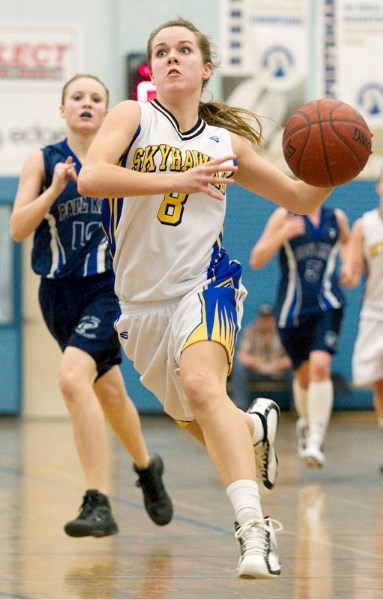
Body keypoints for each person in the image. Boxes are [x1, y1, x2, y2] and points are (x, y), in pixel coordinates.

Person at [77, 18, 335, 578]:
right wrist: (176, 179)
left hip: (205, 283)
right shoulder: (132, 116)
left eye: (184, 49)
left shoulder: (226, 142)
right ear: (152, 68)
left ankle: (255, 530)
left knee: (200, 385)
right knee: (200, 419)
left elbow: (295, 193)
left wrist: (337, 165)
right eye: (161, 51)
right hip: (140, 304)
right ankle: (250, 428)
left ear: (205, 68)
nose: (172, 58)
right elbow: (92, 178)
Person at [9, 73, 173, 538]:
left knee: (71, 377)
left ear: (106, 112)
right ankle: (147, 467)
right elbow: (18, 229)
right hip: (57, 294)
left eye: (95, 98)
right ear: (63, 110)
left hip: (108, 289)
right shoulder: (42, 161)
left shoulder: (118, 161)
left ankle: (97, 500)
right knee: (110, 393)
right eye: (76, 97)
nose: (86, 103)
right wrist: (52, 189)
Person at [250, 205, 350, 468]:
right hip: (291, 311)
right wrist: (281, 234)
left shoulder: (336, 217)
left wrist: (350, 266)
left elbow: (348, 244)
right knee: (303, 375)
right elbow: (257, 258)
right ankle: (306, 424)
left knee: (320, 366)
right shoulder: (284, 215)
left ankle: (317, 438)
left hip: (327, 305)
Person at [341, 172, 383, 473]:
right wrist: (348, 275)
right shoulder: (365, 225)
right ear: (379, 186)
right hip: (375, 312)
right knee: (379, 384)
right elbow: (353, 269)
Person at [231, 303, 292, 409]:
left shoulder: (283, 331)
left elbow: (291, 357)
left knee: (295, 369)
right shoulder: (251, 331)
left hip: (278, 369)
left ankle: (296, 408)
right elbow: (242, 355)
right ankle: (241, 406)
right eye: (263, 318)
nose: (265, 322)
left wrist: (277, 365)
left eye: (268, 318)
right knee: (240, 368)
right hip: (256, 369)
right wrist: (257, 364)